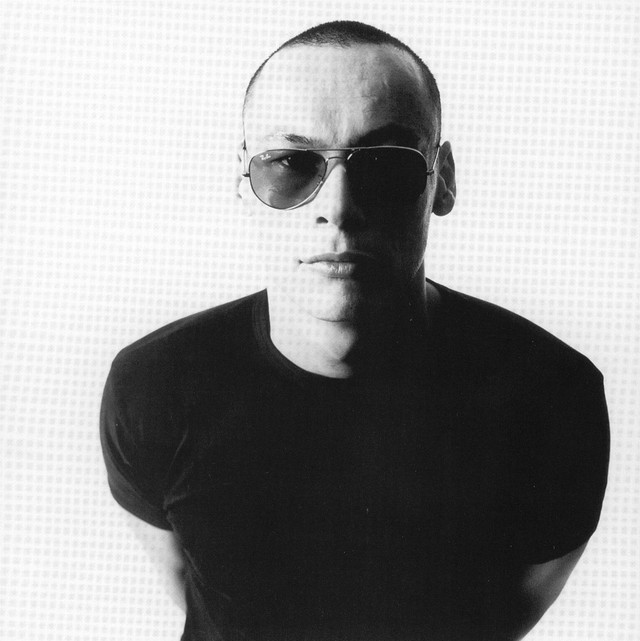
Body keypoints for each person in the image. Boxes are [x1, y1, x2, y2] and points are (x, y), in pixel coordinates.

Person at [100, 20, 609, 641]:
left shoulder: (552, 398)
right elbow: (200, 597)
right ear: (243, 179)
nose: (337, 209)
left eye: (386, 164)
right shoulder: (154, 386)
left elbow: (498, 623)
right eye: (289, 163)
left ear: (443, 178)